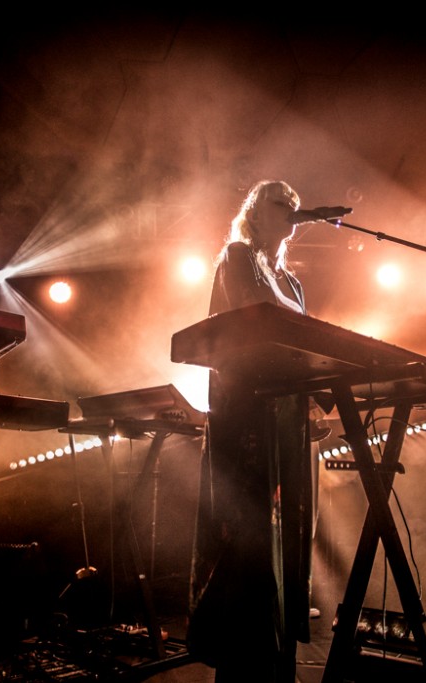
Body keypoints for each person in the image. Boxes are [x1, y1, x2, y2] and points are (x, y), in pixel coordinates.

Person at [186, 180, 314, 683]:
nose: (289, 211)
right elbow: (255, 321)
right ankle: (239, 658)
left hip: (285, 412)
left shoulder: (293, 280)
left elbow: (304, 341)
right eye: (279, 203)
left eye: (294, 205)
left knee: (287, 530)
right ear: (256, 213)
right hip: (245, 409)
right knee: (247, 530)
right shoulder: (238, 256)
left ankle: (275, 652)